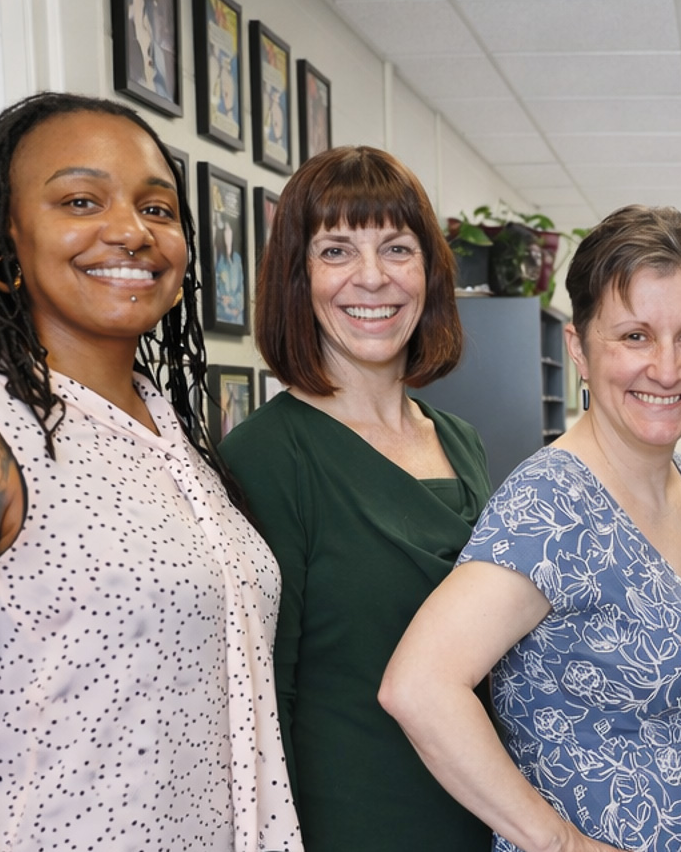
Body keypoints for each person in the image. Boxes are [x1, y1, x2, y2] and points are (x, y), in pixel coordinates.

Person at [0, 92, 300, 851]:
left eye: (158, 208)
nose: (130, 231)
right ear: (6, 236)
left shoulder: (170, 432)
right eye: (81, 200)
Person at [380, 205, 681, 852]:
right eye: (635, 336)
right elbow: (418, 685)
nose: (667, 368)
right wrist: (559, 841)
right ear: (579, 348)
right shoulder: (552, 503)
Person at [219, 146, 489, 851]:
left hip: (480, 808)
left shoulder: (460, 441)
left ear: (428, 274)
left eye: (397, 248)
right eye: (336, 249)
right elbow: (260, 702)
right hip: (349, 822)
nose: (372, 278)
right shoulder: (269, 456)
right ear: (296, 276)